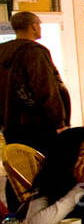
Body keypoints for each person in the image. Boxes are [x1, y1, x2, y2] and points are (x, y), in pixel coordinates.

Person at [0, 11, 71, 153]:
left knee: (20, 166)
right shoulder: (34, 52)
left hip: (10, 123)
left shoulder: (2, 51)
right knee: (43, 167)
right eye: (39, 24)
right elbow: (45, 88)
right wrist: (58, 121)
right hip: (37, 124)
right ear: (33, 26)